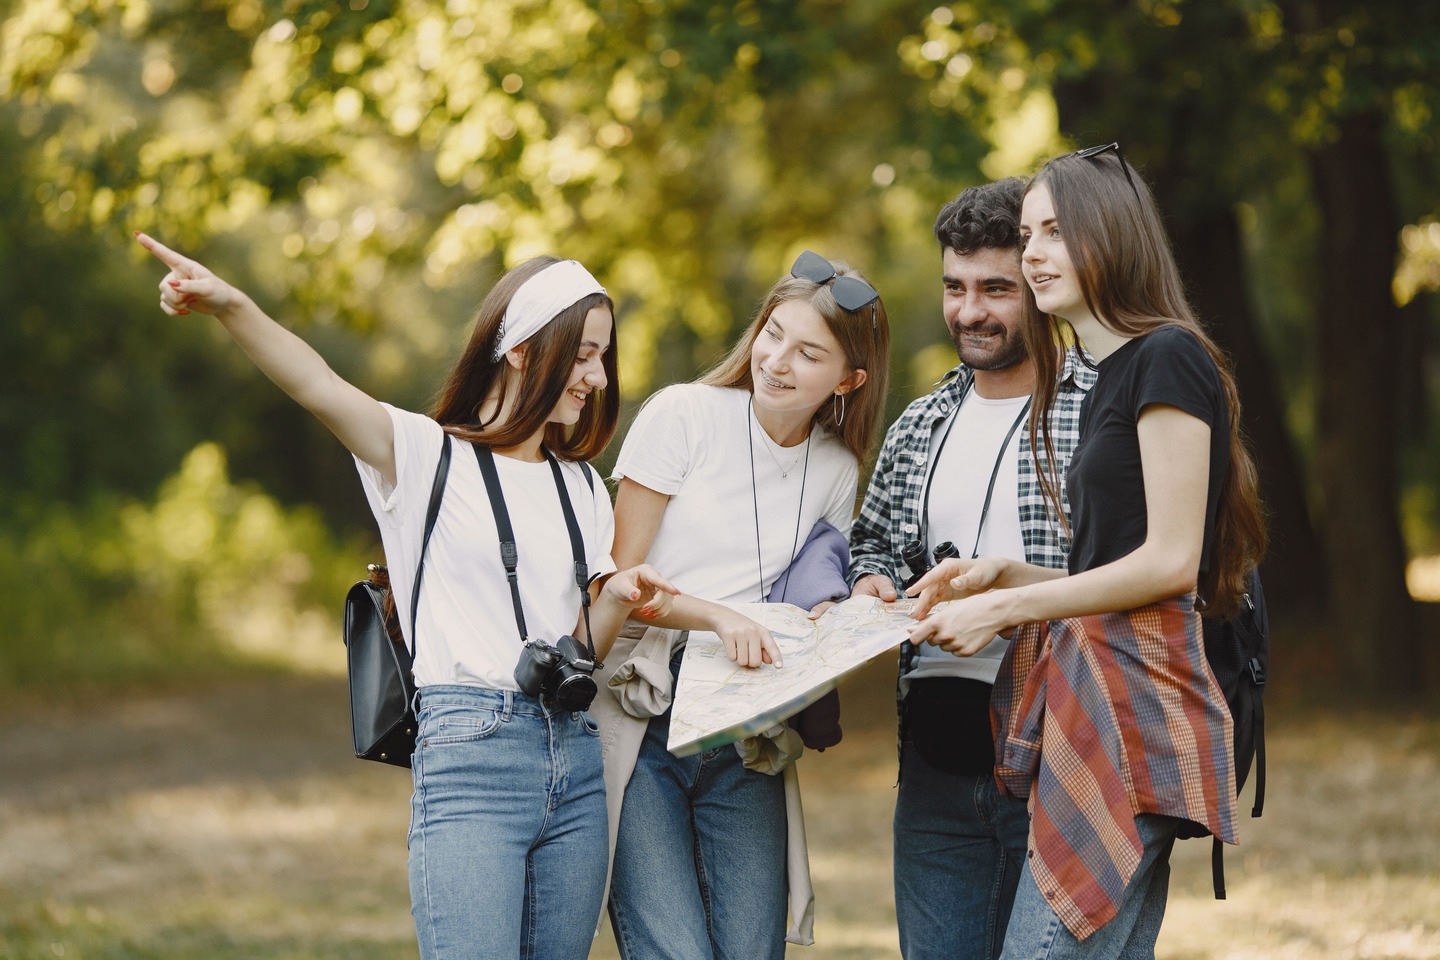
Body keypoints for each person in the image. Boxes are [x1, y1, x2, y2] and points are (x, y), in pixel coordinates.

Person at [135, 234, 679, 960]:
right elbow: (317, 383)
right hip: (472, 754)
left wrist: (615, 601)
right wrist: (231, 305)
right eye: (582, 354)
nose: (597, 378)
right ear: (520, 349)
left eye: (602, 357)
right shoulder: (426, 456)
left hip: (575, 763)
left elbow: (581, 649)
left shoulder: (578, 483)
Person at [905, 144, 1267, 959]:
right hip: (1099, 699)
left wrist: (1008, 606)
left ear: (1111, 234)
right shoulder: (1112, 375)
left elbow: (1172, 565)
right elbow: (1118, 572)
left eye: (1053, 232)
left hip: (1140, 712)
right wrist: (1008, 574)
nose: (1032, 254)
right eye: (1027, 235)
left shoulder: (1167, 356)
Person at [594, 251, 892, 960]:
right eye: (772, 333)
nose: (778, 360)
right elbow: (618, 581)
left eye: (809, 352)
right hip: (643, 716)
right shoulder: (684, 414)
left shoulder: (835, 468)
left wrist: (854, 605)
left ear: (849, 380)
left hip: (746, 731)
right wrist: (721, 616)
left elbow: (806, 591)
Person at [847, 178, 1096, 960]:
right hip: (935, 758)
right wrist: (872, 583)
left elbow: (1137, 575)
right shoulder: (920, 421)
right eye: (955, 288)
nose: (969, 312)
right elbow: (874, 542)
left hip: (1066, 747)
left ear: (1042, 286)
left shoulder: (1102, 410)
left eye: (996, 289)